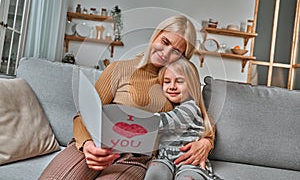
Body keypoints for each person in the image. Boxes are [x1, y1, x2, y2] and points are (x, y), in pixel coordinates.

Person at [39, 15, 215, 180]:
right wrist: (87, 145)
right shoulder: (118, 69)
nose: (166, 53)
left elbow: (200, 115)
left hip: (136, 159)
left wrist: (207, 142)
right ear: (156, 36)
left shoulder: (174, 83)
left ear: (182, 58)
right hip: (96, 145)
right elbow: (84, 113)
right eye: (165, 41)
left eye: (176, 51)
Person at [144, 58, 220, 180]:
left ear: (192, 86)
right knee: (155, 171)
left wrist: (135, 120)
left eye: (179, 82)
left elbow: (162, 122)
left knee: (188, 177)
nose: (172, 86)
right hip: (165, 161)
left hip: (190, 163)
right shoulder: (169, 106)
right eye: (167, 81)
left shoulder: (190, 108)